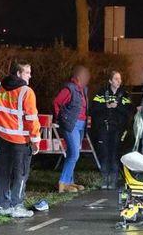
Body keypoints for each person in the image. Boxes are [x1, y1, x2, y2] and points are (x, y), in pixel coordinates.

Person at [0, 60, 41, 218]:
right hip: (21, 141)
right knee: (21, 174)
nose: (30, 76)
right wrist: (35, 141)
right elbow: (32, 119)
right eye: (27, 72)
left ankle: (3, 206)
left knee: (3, 173)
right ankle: (17, 206)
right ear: (18, 73)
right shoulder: (27, 92)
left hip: (3, 138)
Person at [89, 70, 133, 189]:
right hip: (104, 128)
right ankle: (104, 179)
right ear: (110, 81)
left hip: (118, 129)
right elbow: (93, 109)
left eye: (120, 79)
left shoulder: (124, 94)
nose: (119, 81)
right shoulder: (101, 93)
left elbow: (128, 112)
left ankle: (113, 180)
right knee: (104, 153)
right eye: (116, 79)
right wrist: (106, 106)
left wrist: (117, 106)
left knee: (115, 153)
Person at [52, 65, 90, 193]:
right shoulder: (70, 89)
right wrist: (60, 118)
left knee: (72, 154)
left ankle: (69, 181)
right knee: (74, 154)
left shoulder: (83, 90)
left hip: (80, 125)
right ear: (79, 76)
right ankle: (63, 183)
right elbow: (57, 102)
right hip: (71, 124)